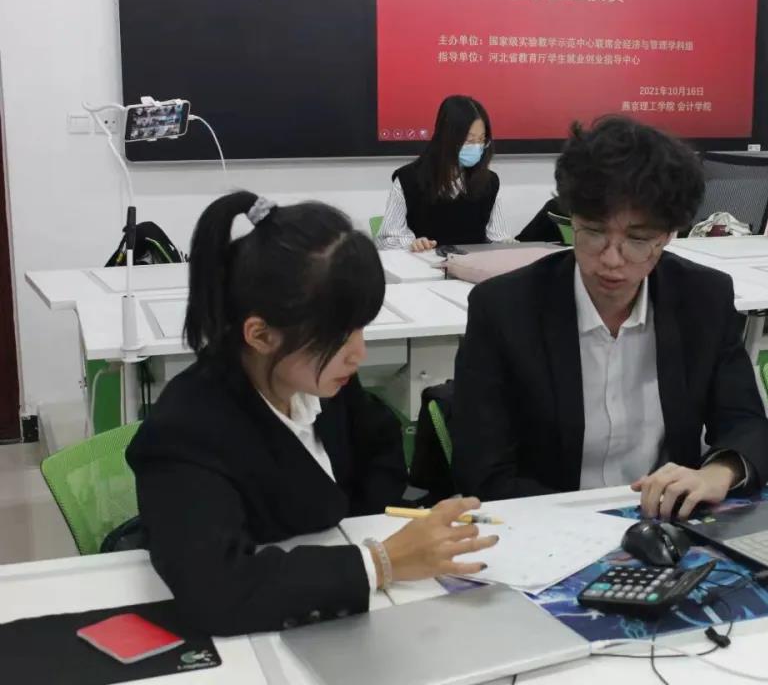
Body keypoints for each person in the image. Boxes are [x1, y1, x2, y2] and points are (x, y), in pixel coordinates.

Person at [126, 191, 497, 636]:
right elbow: (218, 589)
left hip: (344, 615)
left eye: (360, 328)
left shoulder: (318, 381)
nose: (358, 353)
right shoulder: (186, 431)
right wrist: (379, 561)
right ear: (260, 335)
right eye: (338, 336)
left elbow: (378, 447)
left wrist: (365, 530)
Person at [451, 117, 768, 519]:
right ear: (572, 219)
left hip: (663, 518)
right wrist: (590, 522)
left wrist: (719, 471)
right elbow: (483, 472)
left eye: (638, 240)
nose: (611, 259)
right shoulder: (505, 309)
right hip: (551, 524)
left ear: (669, 235)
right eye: (593, 232)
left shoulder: (702, 298)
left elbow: (748, 423)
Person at [376, 95, 510, 252]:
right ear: (446, 138)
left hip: (474, 265)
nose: (477, 147)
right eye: (469, 140)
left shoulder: (489, 182)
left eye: (481, 140)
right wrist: (411, 244)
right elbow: (385, 240)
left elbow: (498, 238)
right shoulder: (408, 180)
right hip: (423, 264)